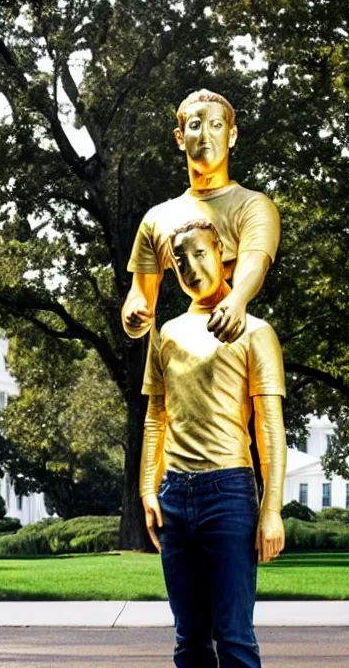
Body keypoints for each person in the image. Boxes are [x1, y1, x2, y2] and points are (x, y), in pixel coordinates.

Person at [140, 219, 286, 668]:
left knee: (234, 637)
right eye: (178, 261)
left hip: (230, 494)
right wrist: (148, 488)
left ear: (221, 251)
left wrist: (272, 509)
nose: (189, 267)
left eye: (199, 254)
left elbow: (270, 428)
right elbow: (154, 418)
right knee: (189, 640)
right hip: (175, 500)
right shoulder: (165, 333)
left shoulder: (256, 331)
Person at [122, 89, 280, 344]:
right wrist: (134, 313)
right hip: (175, 354)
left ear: (232, 135)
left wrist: (237, 300)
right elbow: (140, 293)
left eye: (216, 125)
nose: (205, 136)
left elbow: (253, 262)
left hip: (236, 346)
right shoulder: (157, 219)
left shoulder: (253, 205)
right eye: (195, 125)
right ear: (180, 138)